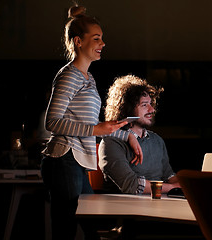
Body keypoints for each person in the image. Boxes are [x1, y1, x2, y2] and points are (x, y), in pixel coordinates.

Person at [40, 6, 142, 240]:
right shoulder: (69, 75)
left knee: (91, 227)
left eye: (102, 38)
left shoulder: (88, 77)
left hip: (76, 161)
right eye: (96, 38)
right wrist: (96, 129)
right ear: (78, 41)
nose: (102, 44)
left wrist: (126, 135)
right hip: (64, 159)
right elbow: (52, 122)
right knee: (67, 230)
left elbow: (92, 125)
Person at [99, 75, 180, 194]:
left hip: (159, 204)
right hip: (125, 207)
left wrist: (188, 184)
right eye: (144, 105)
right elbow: (132, 185)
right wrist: (173, 187)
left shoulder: (156, 140)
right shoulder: (111, 143)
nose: (152, 109)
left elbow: (168, 175)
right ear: (127, 108)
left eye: (151, 104)